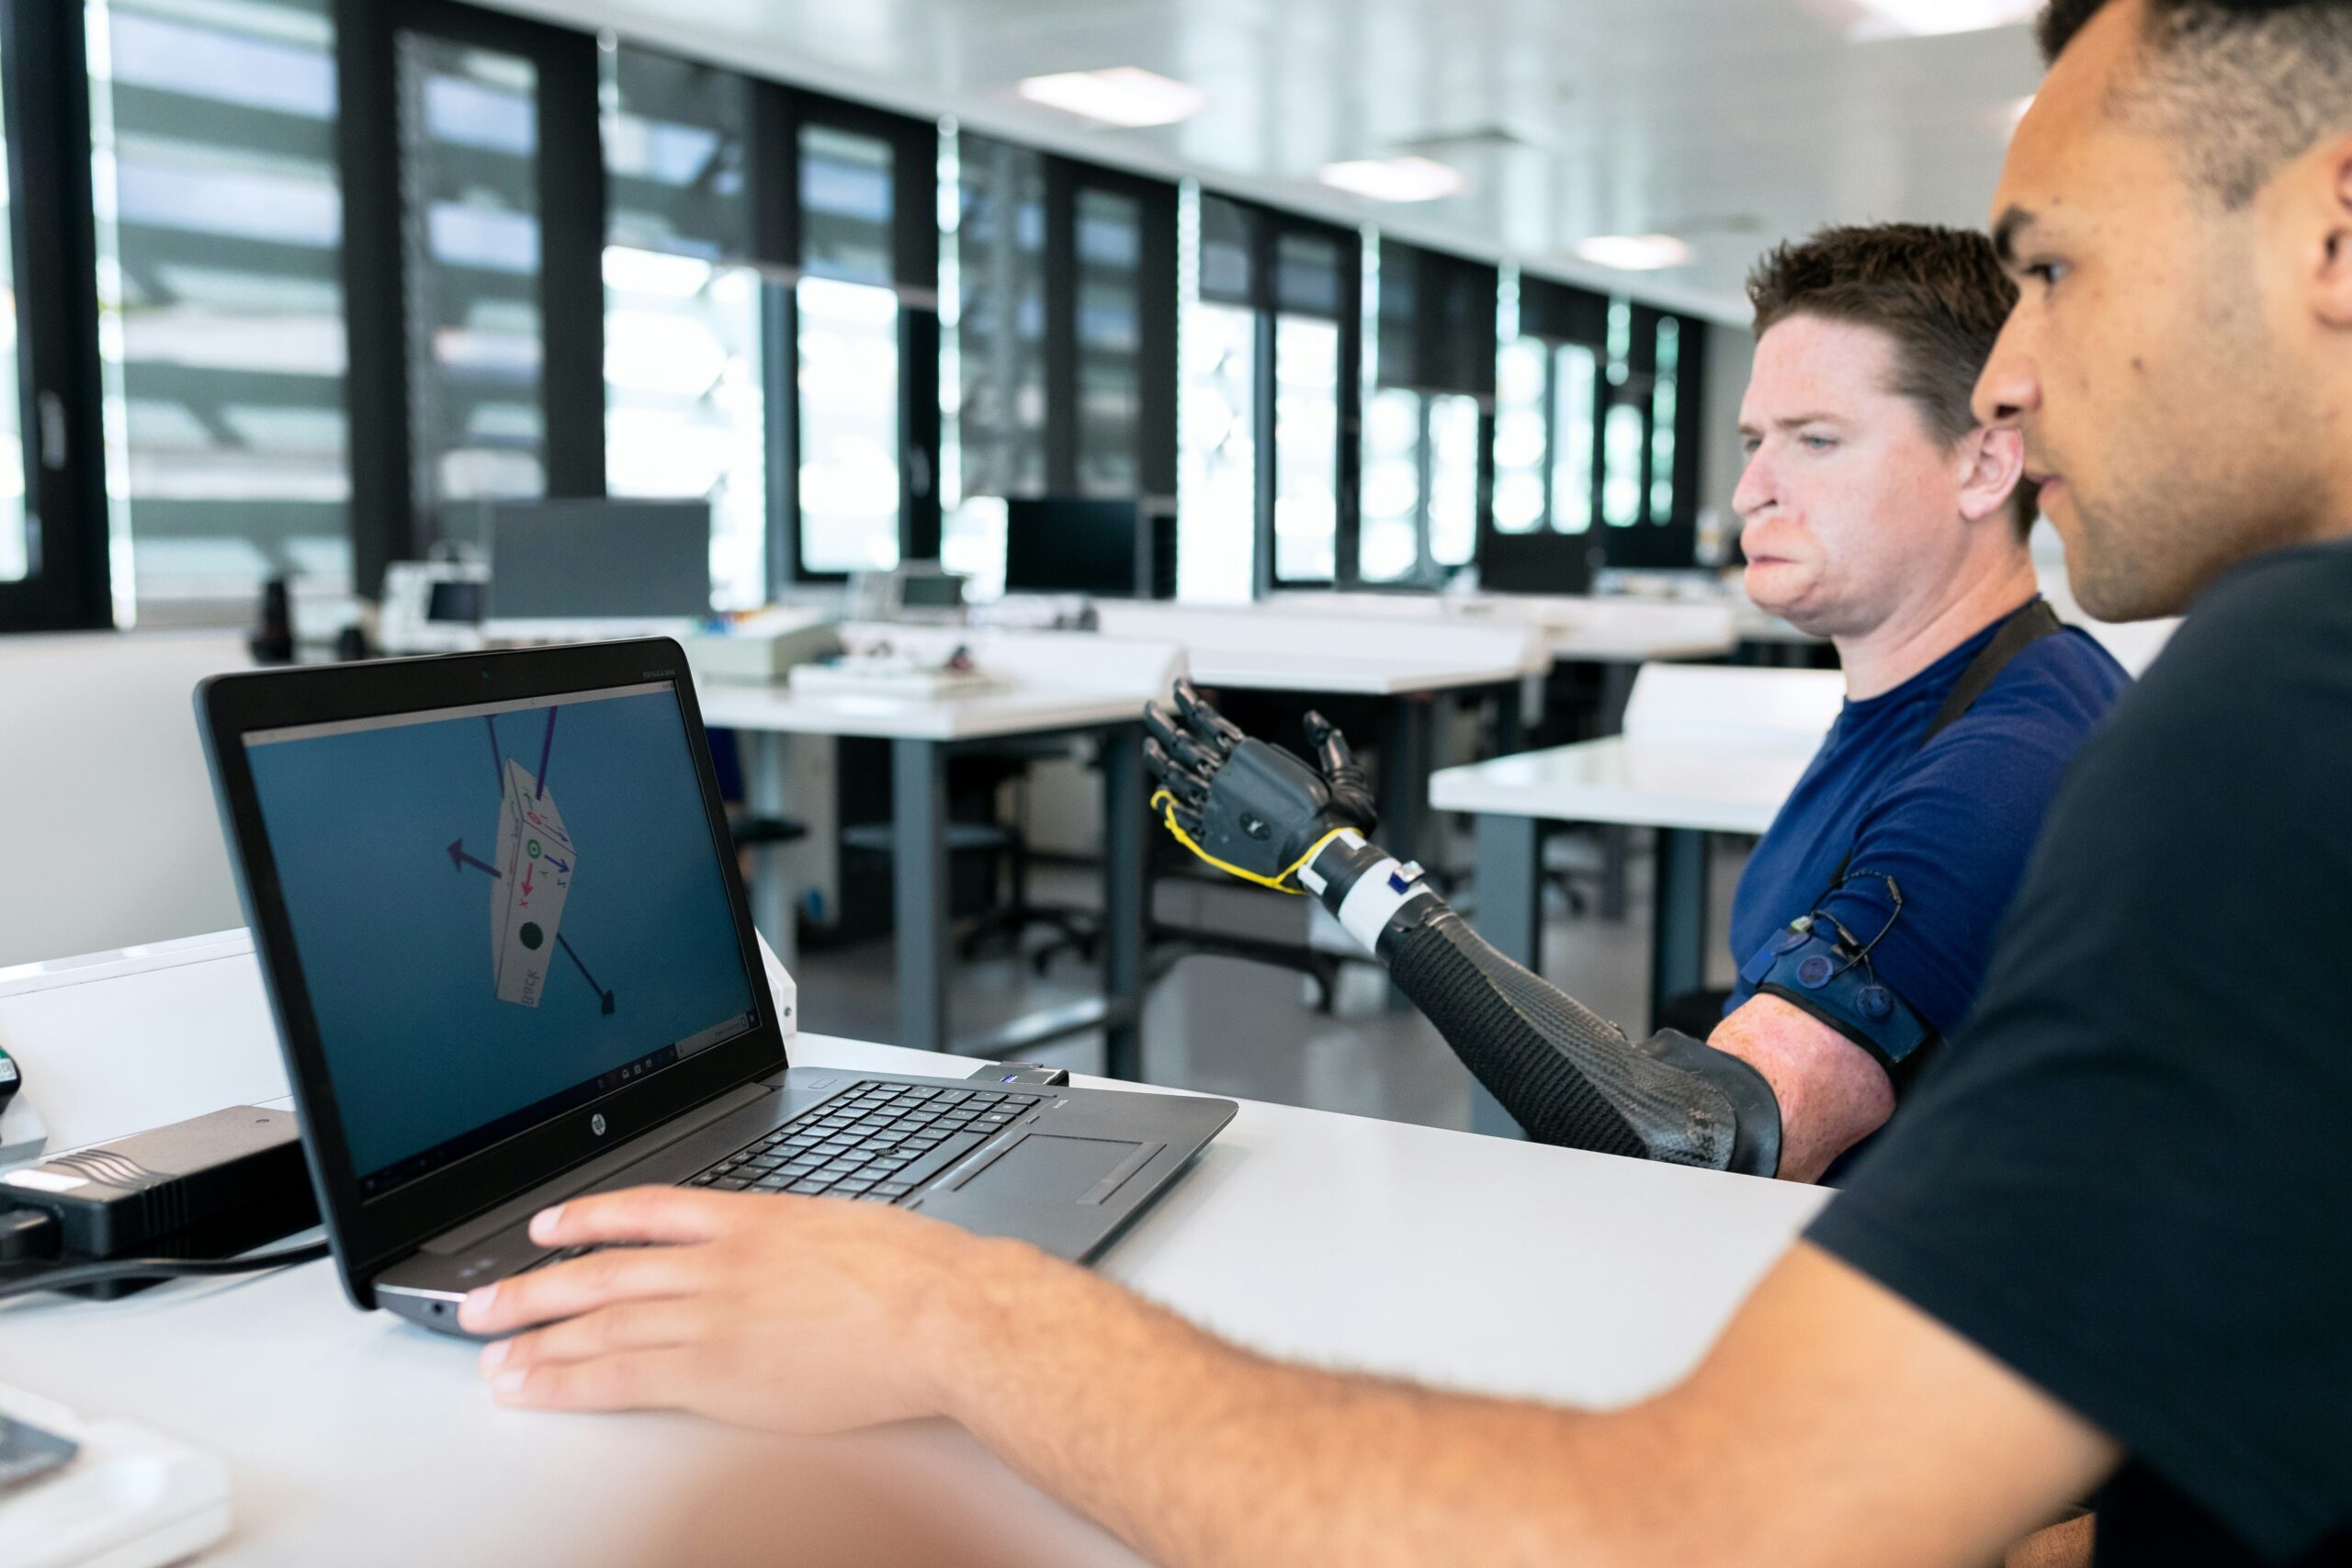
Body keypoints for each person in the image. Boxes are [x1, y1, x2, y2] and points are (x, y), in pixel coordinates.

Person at [458, 2, 2352, 1562]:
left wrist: (951, 1302)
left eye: (2049, 264)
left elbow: (1706, 1434)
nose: (2011, 375)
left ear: (2331, 237)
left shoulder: (2248, 712)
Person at [1144, 223, 2129, 1185]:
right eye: (1753, 442)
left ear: (1985, 464)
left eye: (1815, 440)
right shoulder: (1934, 692)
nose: (1750, 490)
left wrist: (1341, 869)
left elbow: (1699, 1139)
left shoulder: (2006, 767)